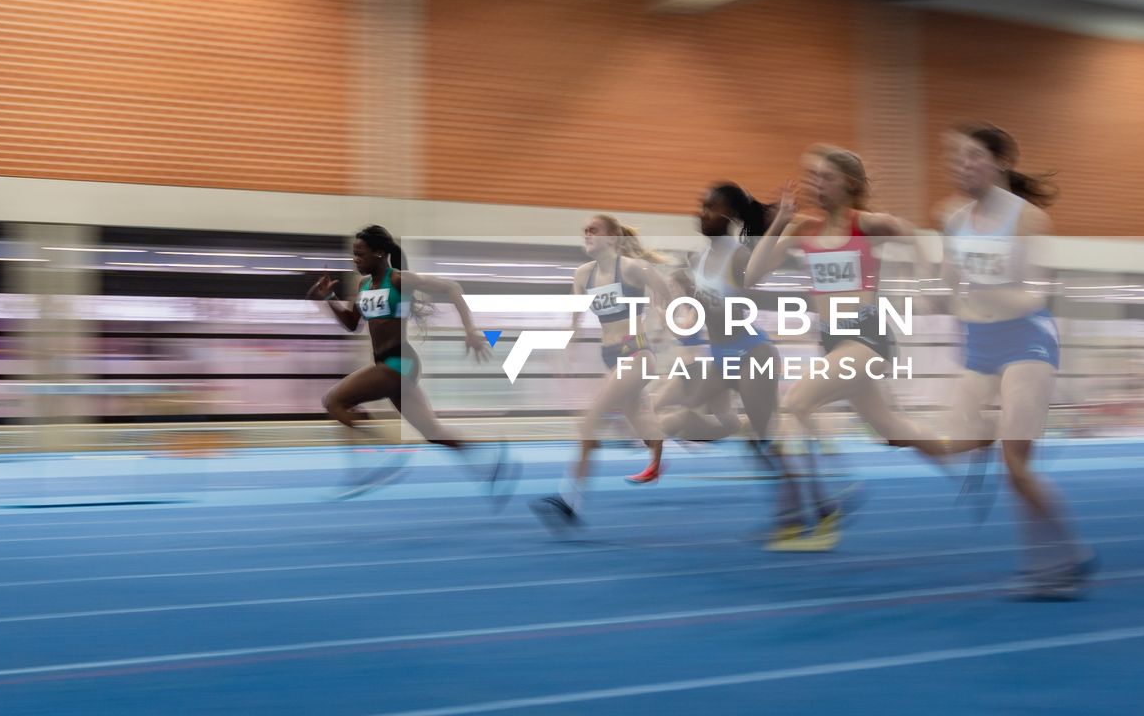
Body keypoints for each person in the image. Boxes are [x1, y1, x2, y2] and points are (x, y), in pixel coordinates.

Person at [741, 145, 932, 550]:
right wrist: (778, 225)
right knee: (891, 431)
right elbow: (752, 274)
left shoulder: (864, 224)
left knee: (794, 405)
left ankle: (827, 506)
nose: (814, 184)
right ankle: (962, 448)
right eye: (810, 176)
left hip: (866, 334)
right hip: (832, 339)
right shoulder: (803, 229)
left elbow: (910, 231)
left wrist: (925, 280)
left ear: (847, 183)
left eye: (823, 176)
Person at [937, 122, 1095, 599]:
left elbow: (1034, 293)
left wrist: (983, 302)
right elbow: (948, 283)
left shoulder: (1027, 220)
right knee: (954, 440)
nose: (963, 166)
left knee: (1016, 467)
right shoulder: (949, 217)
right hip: (980, 345)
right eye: (958, 158)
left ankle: (1065, 556)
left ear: (1001, 162)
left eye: (973, 157)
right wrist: (953, 308)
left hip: (1027, 341)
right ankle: (1060, 558)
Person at [628, 183, 813, 535]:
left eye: (709, 208)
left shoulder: (739, 256)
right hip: (720, 357)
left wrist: (780, 224)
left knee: (763, 442)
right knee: (676, 416)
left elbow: (755, 273)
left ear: (727, 216)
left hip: (752, 353)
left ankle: (802, 506)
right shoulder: (697, 258)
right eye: (700, 205)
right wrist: (671, 293)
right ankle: (733, 429)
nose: (700, 212)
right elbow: (700, 305)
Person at [309, 224, 514, 501]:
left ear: (380, 253)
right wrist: (329, 299)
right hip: (387, 364)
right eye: (353, 255)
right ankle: (491, 461)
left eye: (360, 254)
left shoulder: (398, 280)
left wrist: (471, 330)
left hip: (400, 363)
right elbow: (352, 324)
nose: (355, 260)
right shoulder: (364, 285)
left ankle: (387, 450)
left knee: (334, 401)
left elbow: (452, 287)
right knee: (432, 432)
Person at [531, 215, 671, 532]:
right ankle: (659, 455)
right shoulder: (583, 275)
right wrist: (565, 352)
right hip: (610, 356)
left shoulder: (634, 269)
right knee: (641, 426)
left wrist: (665, 320)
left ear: (612, 237)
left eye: (593, 230)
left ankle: (568, 501)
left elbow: (668, 298)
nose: (587, 234)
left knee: (590, 421)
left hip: (636, 353)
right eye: (584, 231)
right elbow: (575, 320)